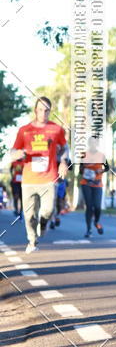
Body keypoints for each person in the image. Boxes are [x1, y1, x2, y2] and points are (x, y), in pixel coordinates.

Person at [8, 96, 69, 253]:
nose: (43, 113)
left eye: (46, 110)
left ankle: (43, 224)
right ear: (36, 110)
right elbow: (13, 151)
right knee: (29, 217)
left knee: (47, 210)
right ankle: (32, 240)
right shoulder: (25, 130)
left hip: (49, 177)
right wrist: (18, 153)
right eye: (40, 110)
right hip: (28, 179)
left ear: (50, 112)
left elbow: (65, 149)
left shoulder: (56, 129)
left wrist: (63, 161)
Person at [77, 137, 109, 238]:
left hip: (97, 184)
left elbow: (107, 167)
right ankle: (88, 229)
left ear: (97, 144)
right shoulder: (84, 155)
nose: (93, 144)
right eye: (91, 142)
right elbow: (80, 170)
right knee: (89, 206)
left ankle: (96, 222)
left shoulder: (101, 155)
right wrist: (84, 169)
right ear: (89, 143)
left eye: (95, 142)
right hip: (86, 183)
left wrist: (101, 171)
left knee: (98, 207)